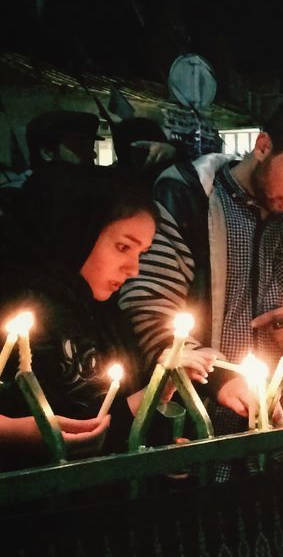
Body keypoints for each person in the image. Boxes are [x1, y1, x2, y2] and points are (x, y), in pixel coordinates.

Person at [119, 94, 283, 435]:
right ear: (264, 145)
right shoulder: (188, 196)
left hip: (282, 432)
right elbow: (149, 306)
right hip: (195, 426)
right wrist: (221, 379)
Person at [0, 174, 211, 470]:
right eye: (124, 247)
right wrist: (147, 396)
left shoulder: (106, 316)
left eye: (142, 253)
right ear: (75, 231)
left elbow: (113, 423)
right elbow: (59, 432)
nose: (134, 269)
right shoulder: (16, 306)